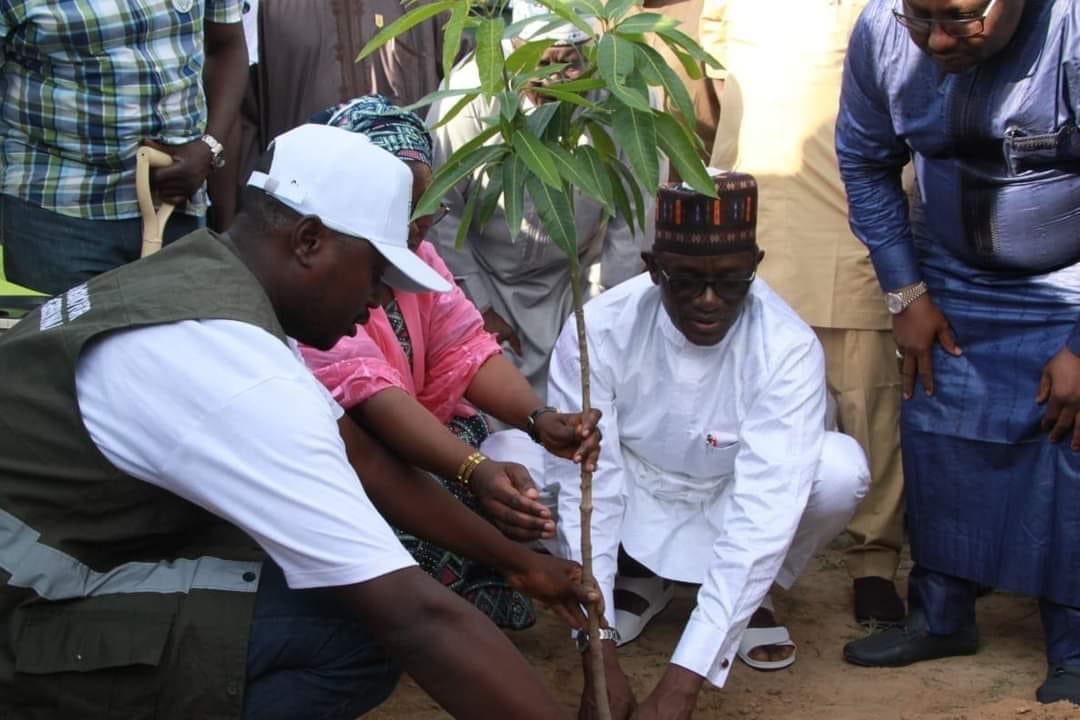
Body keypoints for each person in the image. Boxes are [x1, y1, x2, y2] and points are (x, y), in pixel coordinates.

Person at [0, 124, 598, 719]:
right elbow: (417, 616)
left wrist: (521, 565)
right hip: (26, 600)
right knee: (352, 632)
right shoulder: (240, 371)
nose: (379, 301)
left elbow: (358, 458)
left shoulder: (206, 275)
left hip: (50, 547)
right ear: (309, 240)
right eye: (375, 274)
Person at [543, 173, 869, 719]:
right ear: (652, 268)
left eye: (732, 281)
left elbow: (765, 510)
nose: (710, 301)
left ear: (756, 264)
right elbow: (590, 486)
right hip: (637, 496)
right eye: (687, 281)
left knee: (840, 470)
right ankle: (641, 581)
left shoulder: (787, 347)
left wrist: (681, 684)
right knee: (512, 455)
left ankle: (747, 598)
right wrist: (597, 652)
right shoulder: (599, 327)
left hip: (732, 494)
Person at [835, 0, 1080, 706]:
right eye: (922, 18)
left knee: (1069, 447)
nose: (939, 40)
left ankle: (1073, 640)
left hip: (1069, 281)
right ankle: (941, 617)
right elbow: (864, 157)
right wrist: (904, 291)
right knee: (940, 434)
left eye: (962, 18)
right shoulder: (882, 32)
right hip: (947, 272)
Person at [301, 95, 600, 629]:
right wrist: (473, 470)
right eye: (405, 207)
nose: (420, 224)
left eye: (427, 205)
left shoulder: (418, 255)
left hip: (422, 441)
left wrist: (538, 419)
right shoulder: (321, 278)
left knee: (512, 488)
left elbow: (464, 345)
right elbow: (372, 396)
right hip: (356, 463)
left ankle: (474, 577)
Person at [701, 0, 907, 624]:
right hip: (753, 219)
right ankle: (748, 560)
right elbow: (713, 100)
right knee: (749, 410)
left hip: (848, 226)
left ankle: (875, 561)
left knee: (868, 405)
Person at [427, 0, 649, 398]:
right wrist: (476, 304)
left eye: (573, 61)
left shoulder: (620, 95)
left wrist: (599, 307)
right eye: (545, 61)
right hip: (485, 281)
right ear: (517, 49)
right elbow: (439, 211)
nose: (560, 78)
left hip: (575, 283)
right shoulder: (472, 98)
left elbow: (634, 214)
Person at [0, 0, 249, 295]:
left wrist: (208, 148)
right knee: (71, 340)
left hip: (175, 205)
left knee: (168, 338)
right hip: (58, 213)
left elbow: (226, 46)